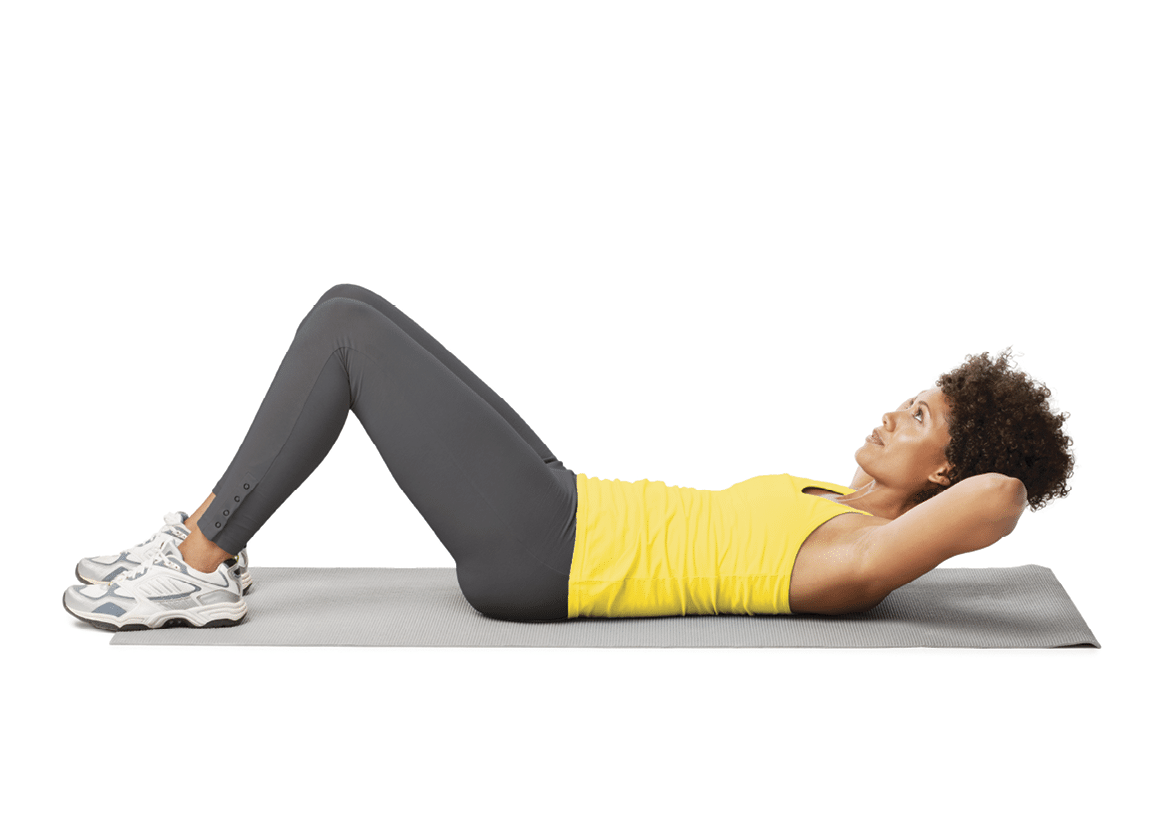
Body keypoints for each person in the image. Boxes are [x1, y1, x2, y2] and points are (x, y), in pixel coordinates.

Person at [62, 283, 1075, 629]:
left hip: (548, 553)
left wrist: (991, 456)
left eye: (918, 417)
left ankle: (194, 569)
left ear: (945, 469)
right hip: (564, 504)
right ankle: (214, 537)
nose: (891, 415)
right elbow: (974, 483)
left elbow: (998, 495)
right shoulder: (830, 496)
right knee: (355, 311)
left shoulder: (853, 557)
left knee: (344, 332)